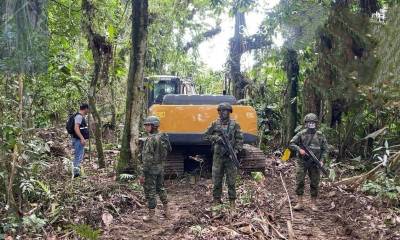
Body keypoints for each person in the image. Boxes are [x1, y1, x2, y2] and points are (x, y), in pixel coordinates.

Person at [204, 102, 244, 207]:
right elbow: (205, 136)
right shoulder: (215, 124)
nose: (224, 113)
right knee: (217, 180)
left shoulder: (235, 125)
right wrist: (216, 138)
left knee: (231, 181)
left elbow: (240, 140)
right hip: (218, 157)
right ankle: (216, 201)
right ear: (219, 112)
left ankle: (232, 203)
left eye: (226, 111)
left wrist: (234, 151)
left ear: (229, 112)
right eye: (222, 110)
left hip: (230, 157)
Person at [289, 113, 328, 211]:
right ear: (306, 123)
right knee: (300, 181)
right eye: (309, 122)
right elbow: (291, 143)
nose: (311, 124)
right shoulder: (301, 134)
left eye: (313, 122)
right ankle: (300, 202)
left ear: (316, 123)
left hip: (315, 163)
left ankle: (313, 204)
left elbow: (325, 149)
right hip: (302, 162)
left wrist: (322, 160)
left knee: (315, 182)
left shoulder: (320, 135)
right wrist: (299, 150)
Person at [141, 116, 172, 222]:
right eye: (145, 125)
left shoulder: (151, 139)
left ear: (154, 126)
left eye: (148, 125)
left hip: (151, 170)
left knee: (151, 191)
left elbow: (147, 158)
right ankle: (167, 211)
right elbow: (169, 149)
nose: (146, 127)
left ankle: (151, 215)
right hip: (160, 168)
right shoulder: (163, 136)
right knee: (161, 188)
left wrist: (143, 174)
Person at [71, 103, 90, 178]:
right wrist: (82, 138)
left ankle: (77, 172)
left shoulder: (80, 116)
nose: (88, 111)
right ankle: (76, 174)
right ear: (85, 108)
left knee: (78, 155)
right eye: (88, 109)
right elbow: (76, 128)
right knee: (78, 156)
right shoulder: (79, 116)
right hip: (78, 139)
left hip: (78, 139)